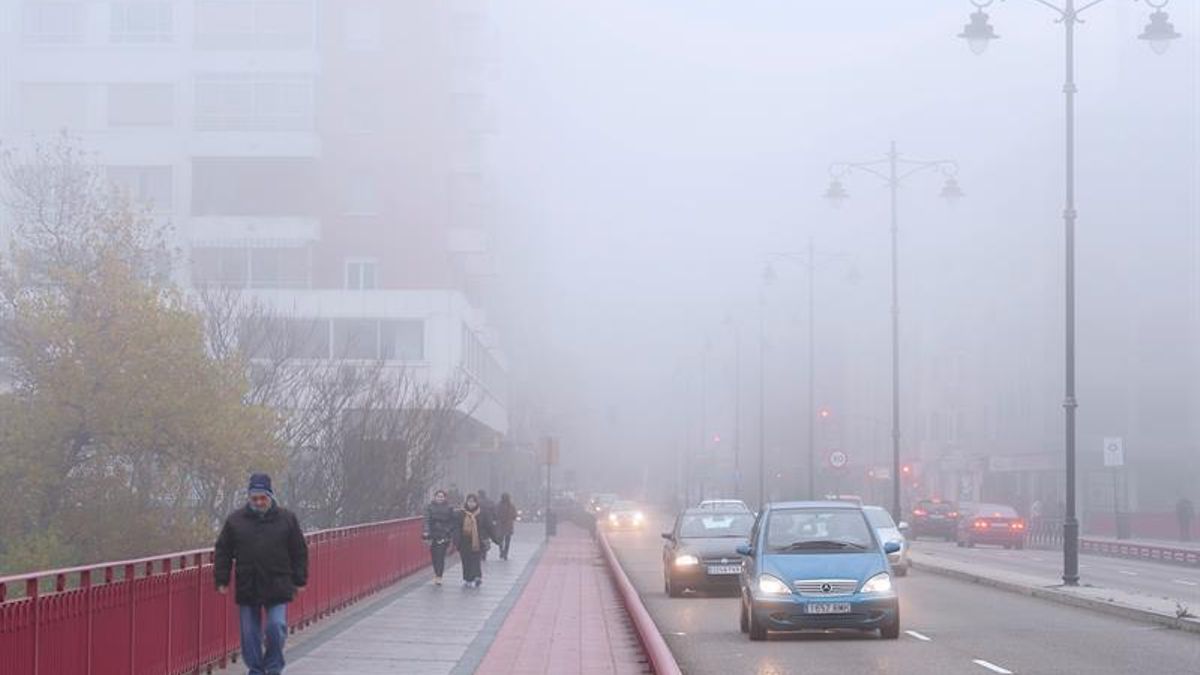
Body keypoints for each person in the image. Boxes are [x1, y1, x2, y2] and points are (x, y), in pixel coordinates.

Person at [214, 473, 308, 675]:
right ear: (249, 497)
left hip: (278, 582)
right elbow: (223, 550)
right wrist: (221, 579)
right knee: (249, 634)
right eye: (254, 498)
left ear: (271, 496)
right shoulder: (235, 521)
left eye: (262, 497)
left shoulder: (287, 519)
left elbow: (299, 550)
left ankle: (273, 667)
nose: (258, 502)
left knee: (276, 627)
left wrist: (300, 580)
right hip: (248, 583)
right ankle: (256, 670)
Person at [457, 493, 499, 587]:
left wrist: (496, 539)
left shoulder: (482, 513)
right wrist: (456, 540)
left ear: (477, 502)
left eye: (473, 502)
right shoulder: (461, 513)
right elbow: (456, 527)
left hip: (478, 541)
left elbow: (489, 527)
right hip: (464, 541)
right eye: (469, 501)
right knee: (466, 561)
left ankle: (477, 577)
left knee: (476, 560)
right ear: (466, 502)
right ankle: (468, 579)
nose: (471, 504)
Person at [423, 489, 457, 585]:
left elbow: (453, 521)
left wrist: (448, 530)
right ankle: (436, 573)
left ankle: (439, 576)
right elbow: (426, 520)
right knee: (434, 556)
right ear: (435, 497)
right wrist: (426, 531)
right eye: (438, 496)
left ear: (445, 498)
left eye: (442, 497)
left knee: (440, 555)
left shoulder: (449, 508)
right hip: (433, 534)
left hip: (444, 535)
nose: (440, 498)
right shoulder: (429, 507)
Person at [496, 493, 519, 560]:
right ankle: (506, 553)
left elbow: (495, 514)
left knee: (500, 540)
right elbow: (514, 515)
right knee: (507, 541)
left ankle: (501, 551)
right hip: (508, 526)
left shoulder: (498, 505)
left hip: (500, 525)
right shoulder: (511, 506)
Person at [476, 489, 497, 561]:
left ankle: (479, 553)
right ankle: (484, 553)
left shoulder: (476, 502)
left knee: (478, 537)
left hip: (478, 522)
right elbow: (494, 513)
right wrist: (494, 519)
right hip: (488, 522)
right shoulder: (490, 502)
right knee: (485, 538)